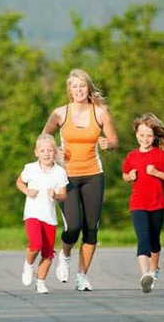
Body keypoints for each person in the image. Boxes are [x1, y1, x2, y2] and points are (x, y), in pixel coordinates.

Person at [42, 69, 118, 291]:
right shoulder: (60, 113)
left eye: (82, 86)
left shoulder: (100, 113)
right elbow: (44, 138)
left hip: (94, 174)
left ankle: (82, 276)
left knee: (91, 228)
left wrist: (108, 144)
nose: (78, 90)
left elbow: (114, 140)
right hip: (66, 176)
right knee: (73, 226)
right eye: (74, 86)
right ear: (69, 90)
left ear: (88, 88)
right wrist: (54, 151)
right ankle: (64, 255)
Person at [122, 112, 164, 294]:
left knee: (154, 241)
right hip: (138, 204)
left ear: (154, 137)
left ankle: (154, 270)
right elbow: (125, 174)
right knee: (143, 240)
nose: (145, 139)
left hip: (157, 204)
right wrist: (129, 177)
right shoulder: (131, 156)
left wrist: (156, 173)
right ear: (136, 135)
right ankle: (145, 275)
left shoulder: (160, 156)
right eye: (141, 135)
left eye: (148, 135)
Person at [16, 133, 68, 294]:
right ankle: (28, 265)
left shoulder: (59, 172)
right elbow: (19, 181)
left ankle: (41, 282)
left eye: (50, 150)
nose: (46, 154)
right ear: (36, 152)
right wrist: (26, 190)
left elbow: (64, 195)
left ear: (55, 153)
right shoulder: (30, 168)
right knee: (35, 244)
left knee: (48, 253)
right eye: (43, 150)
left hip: (49, 218)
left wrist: (56, 195)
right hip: (32, 214)